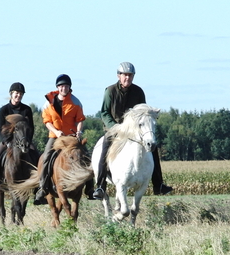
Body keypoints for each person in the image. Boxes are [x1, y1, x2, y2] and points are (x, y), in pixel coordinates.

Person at [92, 61, 172, 200]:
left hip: (134, 131)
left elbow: (144, 112)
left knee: (153, 148)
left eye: (130, 75)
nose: (127, 78)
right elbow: (104, 112)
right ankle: (100, 186)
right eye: (125, 75)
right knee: (104, 149)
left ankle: (158, 184)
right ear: (119, 76)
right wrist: (114, 127)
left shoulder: (138, 91)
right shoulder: (110, 91)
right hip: (114, 129)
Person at [33, 74, 87, 205]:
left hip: (71, 137)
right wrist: (56, 131)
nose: (64, 88)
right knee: (46, 157)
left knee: (86, 157)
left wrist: (79, 131)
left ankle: (91, 188)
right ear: (57, 87)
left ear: (69, 87)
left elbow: (80, 120)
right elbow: (46, 121)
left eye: (66, 86)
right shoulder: (49, 102)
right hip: (55, 137)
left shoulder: (75, 102)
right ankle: (42, 187)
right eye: (62, 86)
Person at [0, 82, 39, 201]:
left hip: (24, 140)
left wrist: (28, 140)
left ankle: (39, 190)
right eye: (16, 93)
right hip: (8, 141)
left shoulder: (26, 110)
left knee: (38, 158)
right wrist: (5, 141)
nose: (18, 95)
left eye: (21, 94)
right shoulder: (4, 109)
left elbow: (31, 127)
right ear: (11, 94)